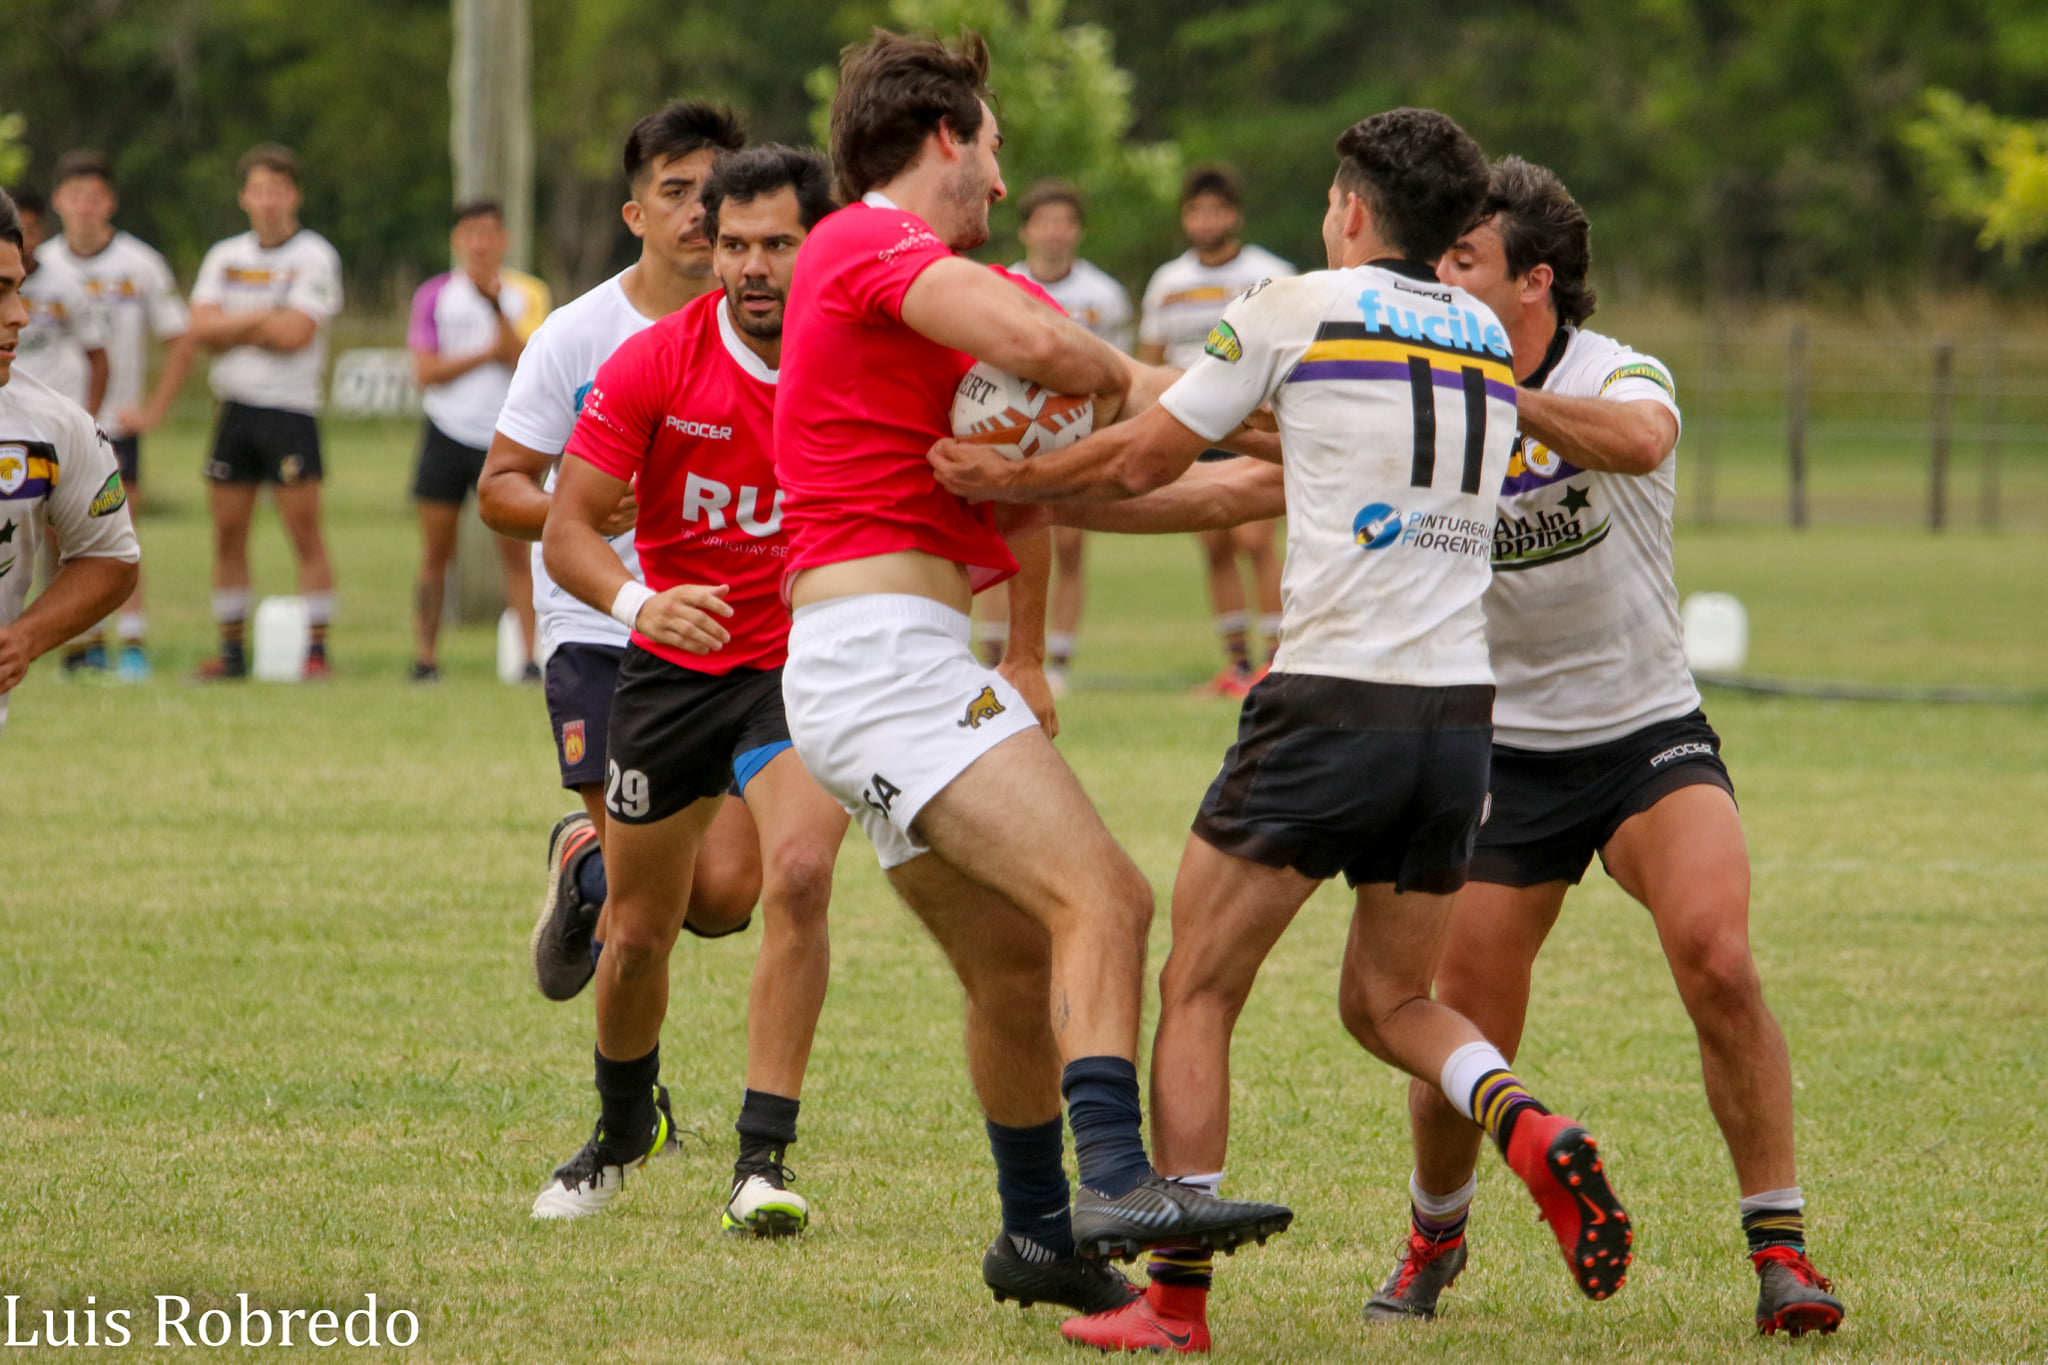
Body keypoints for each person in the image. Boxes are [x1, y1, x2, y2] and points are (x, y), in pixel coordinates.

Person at [930, 109, 1632, 1353]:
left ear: (1350, 209)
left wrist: (1004, 483)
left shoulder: (1286, 305)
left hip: (1326, 702)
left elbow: (1146, 458)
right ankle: (1527, 1126)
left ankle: (1176, 1305)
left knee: (1195, 986)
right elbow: (1287, 451)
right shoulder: (1479, 334)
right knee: (1389, 1000)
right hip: (1458, 719)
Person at [776, 28, 1291, 1322]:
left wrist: (1303, 449)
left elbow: (1109, 484)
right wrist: (1151, 385)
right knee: (1106, 900)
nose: (1002, 185)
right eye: (994, 150)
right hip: (883, 663)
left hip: (884, 663)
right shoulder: (867, 243)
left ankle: (1035, 1237)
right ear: (946, 135)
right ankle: (1116, 1178)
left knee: (1015, 969)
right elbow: (1068, 361)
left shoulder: (932, 339)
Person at [1354, 157, 1839, 1338]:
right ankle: (1434, 1234)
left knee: (1716, 958)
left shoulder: (1612, 369)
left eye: (1462, 260)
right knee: (1460, 1023)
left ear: (1534, 283)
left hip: (1644, 739)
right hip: (1501, 758)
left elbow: (1634, 437)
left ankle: (1780, 1253)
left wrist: (1493, 398)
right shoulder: (1428, 383)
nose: (1437, 274)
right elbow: (1280, 458)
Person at [533, 144, 842, 1238]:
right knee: (641, 931)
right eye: (737, 245)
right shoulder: (655, 363)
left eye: (780, 243)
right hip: (669, 668)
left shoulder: (859, 358)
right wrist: (636, 605)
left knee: (797, 877)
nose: (755, 267)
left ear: (823, 242)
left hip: (799, 668)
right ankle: (624, 1129)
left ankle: (762, 1159)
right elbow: (567, 526)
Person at [477, 103, 762, 1018]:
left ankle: (580, 859)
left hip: (731, 637)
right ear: (634, 213)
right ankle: (637, 1102)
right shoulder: (575, 334)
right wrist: (587, 513)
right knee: (651, 903)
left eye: (712, 192)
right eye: (674, 192)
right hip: (598, 630)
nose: (698, 212)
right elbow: (501, 487)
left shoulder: (768, 331)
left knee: (723, 896)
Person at [186, 144, 343, 680]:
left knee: (303, 531)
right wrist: (263, 320)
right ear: (244, 198)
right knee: (228, 533)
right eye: (259, 190)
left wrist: (234, 325)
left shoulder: (314, 255)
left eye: (279, 189)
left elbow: (298, 333)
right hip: (234, 409)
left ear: (293, 195)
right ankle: (230, 652)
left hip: (290, 411)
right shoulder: (224, 257)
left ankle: (316, 653)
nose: (269, 200)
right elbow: (200, 329)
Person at [1136, 166, 1291, 698]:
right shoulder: (1168, 282)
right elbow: (1149, 361)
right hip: (1195, 427)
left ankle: (1275, 661)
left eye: (1217, 209)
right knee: (1213, 543)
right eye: (1196, 210)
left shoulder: (1270, 273)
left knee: (1254, 539)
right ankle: (1236, 665)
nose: (1207, 220)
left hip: (1252, 419)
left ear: (1235, 216)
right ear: (1186, 218)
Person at [45, 150, 196, 682]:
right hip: (55, 424)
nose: (85, 207)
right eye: (75, 196)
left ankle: (132, 644)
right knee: (61, 535)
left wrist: (153, 410)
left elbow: (181, 340)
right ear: (60, 200)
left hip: (114, 424)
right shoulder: (40, 264)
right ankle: (82, 645)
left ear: (109, 202)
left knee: (118, 532)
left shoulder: (140, 263)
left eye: (95, 197)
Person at [0, 189, 140, 735]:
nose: (21, 316)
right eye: (0, 291)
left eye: (18, 290)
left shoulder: (58, 428)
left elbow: (110, 559)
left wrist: (26, 638)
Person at [989, 179, 1132, 694]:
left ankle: (1061, 661)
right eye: (1043, 221)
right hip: (1005, 432)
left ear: (1077, 231)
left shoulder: (1104, 295)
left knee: (1068, 544)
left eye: (1064, 222)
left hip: (1077, 433)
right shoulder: (1001, 285)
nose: (1053, 232)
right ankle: (994, 653)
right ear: (1026, 229)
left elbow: (1119, 370)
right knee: (999, 539)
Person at [405, 199, 550, 682]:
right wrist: (483, 352)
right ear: (458, 240)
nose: (481, 243)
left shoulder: (528, 293)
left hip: (505, 436)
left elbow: (525, 361)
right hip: (444, 432)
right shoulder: (433, 294)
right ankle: (425, 657)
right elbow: (426, 371)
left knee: (518, 552)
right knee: (435, 552)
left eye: (490, 233)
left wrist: (494, 311)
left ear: (504, 239)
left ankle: (530, 659)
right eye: (471, 233)